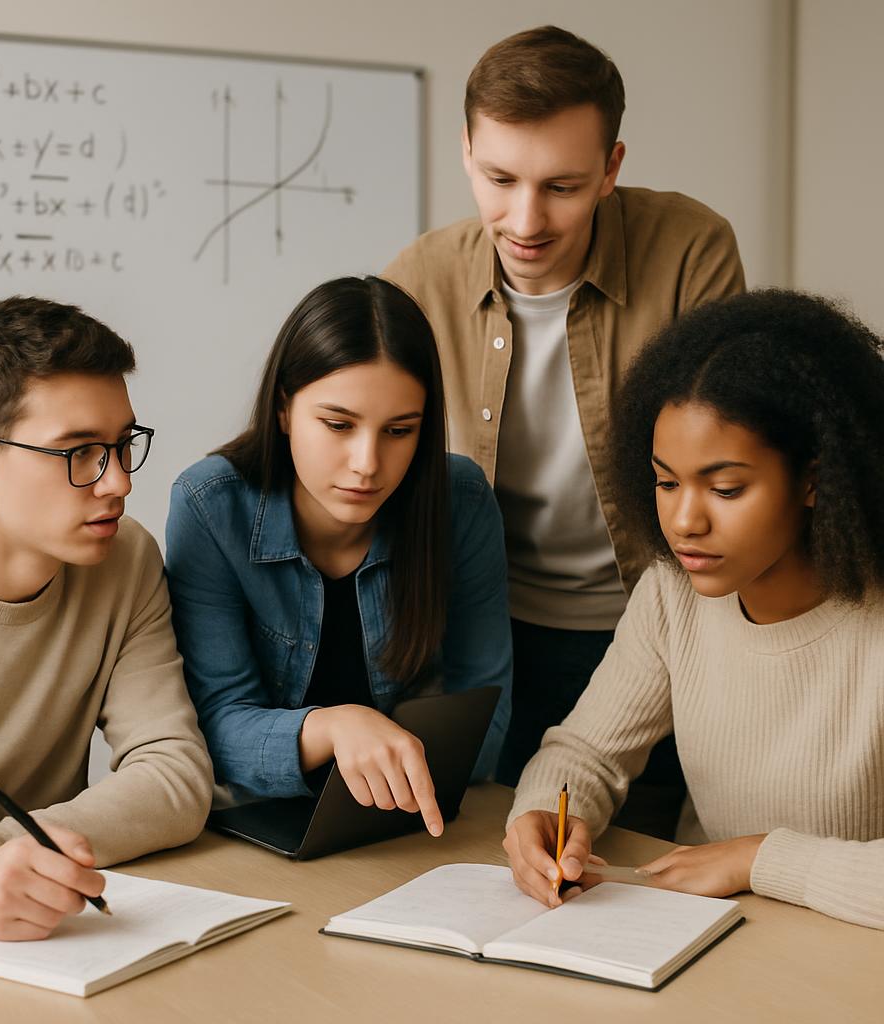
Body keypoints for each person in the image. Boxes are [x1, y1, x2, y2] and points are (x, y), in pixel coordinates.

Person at [384, 26, 746, 825]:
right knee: (500, 842)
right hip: (486, 630)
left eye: (563, 186)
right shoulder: (417, 278)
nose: (525, 219)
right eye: (498, 177)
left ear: (613, 167)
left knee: (652, 849)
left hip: (656, 620)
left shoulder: (691, 249)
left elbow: (729, 452)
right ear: (466, 150)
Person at [503, 289, 884, 929]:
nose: (684, 522)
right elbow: (588, 751)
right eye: (666, 481)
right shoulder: (671, 593)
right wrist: (542, 812)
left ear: (817, 479)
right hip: (707, 942)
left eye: (725, 487)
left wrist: (757, 860)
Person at [0, 296, 214, 939]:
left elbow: (173, 777)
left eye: (122, 444)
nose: (119, 483)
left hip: (49, 927)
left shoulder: (125, 559)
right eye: (79, 452)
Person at [166, 277, 512, 836]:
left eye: (400, 431)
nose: (367, 463)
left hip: (415, 825)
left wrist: (390, 770)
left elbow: (483, 716)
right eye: (338, 425)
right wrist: (334, 729)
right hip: (251, 826)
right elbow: (213, 729)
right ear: (283, 410)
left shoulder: (461, 503)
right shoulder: (211, 506)